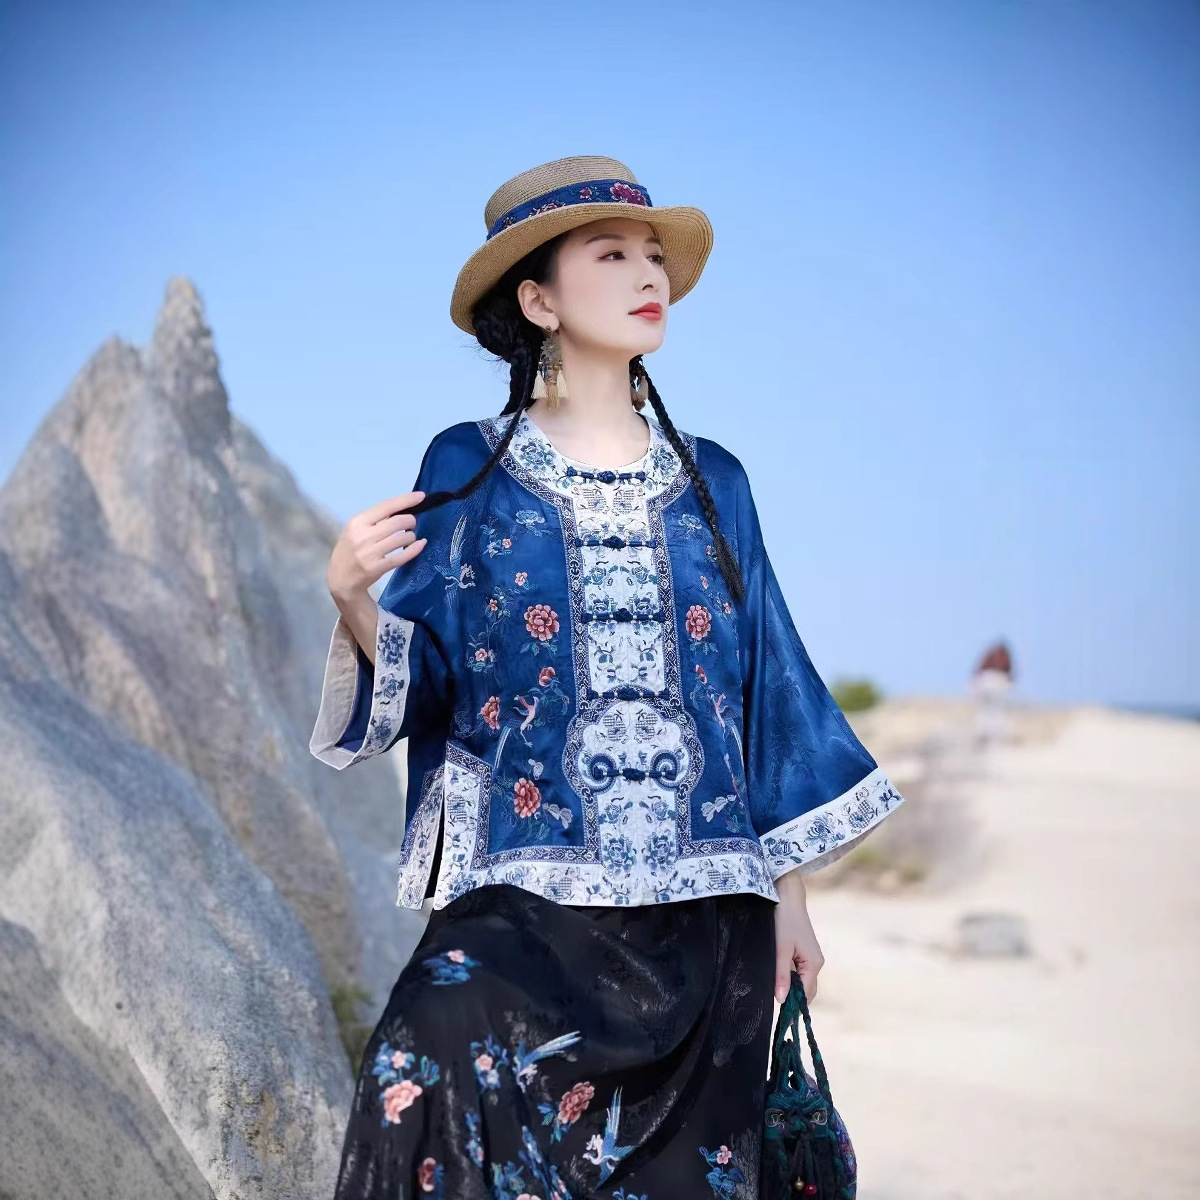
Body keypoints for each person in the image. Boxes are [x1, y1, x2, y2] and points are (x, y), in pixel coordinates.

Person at [309, 155, 906, 1200]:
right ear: (538, 300)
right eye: (612, 254)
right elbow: (429, 675)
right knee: (422, 1046)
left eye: (653, 256)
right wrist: (352, 597)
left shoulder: (716, 480)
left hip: (707, 914)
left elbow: (763, 693)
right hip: (525, 901)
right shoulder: (469, 467)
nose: (648, 275)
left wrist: (792, 902)